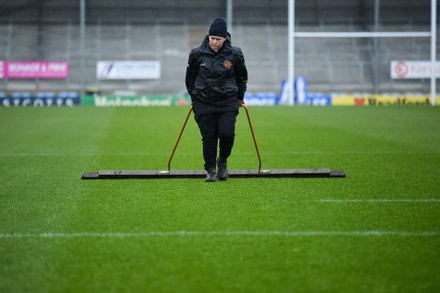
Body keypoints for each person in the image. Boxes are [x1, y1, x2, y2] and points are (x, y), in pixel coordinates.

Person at [185, 17, 248, 182]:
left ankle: (223, 161)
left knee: (227, 134)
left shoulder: (235, 54)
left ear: (224, 38)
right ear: (208, 37)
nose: (214, 42)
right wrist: (194, 97)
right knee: (209, 137)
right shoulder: (197, 53)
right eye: (212, 38)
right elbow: (189, 78)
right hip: (203, 102)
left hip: (227, 101)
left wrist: (240, 97)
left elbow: (242, 77)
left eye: (218, 39)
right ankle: (211, 169)